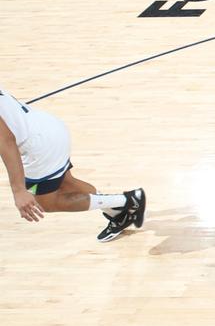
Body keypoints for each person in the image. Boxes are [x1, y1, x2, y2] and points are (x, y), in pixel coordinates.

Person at [2, 86, 145, 242]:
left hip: (38, 145)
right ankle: (117, 212)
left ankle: (129, 201)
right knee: (66, 184)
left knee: (44, 203)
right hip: (47, 127)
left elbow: (6, 141)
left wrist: (19, 191)